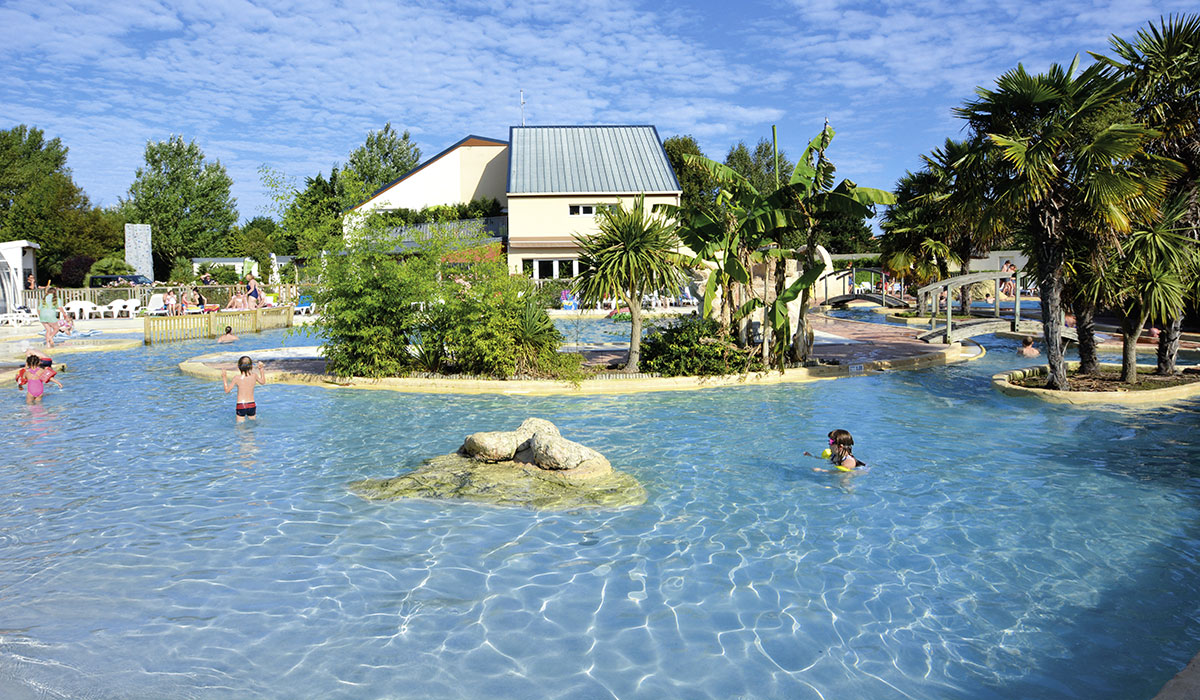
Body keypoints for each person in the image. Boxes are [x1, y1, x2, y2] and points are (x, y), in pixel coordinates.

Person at [222, 355, 266, 423]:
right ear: (251, 366)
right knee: (252, 426)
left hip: (241, 405)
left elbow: (227, 390)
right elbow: (263, 382)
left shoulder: (237, 378)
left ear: (238, 366)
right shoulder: (254, 376)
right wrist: (261, 369)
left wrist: (224, 377)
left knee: (240, 429)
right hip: (252, 404)